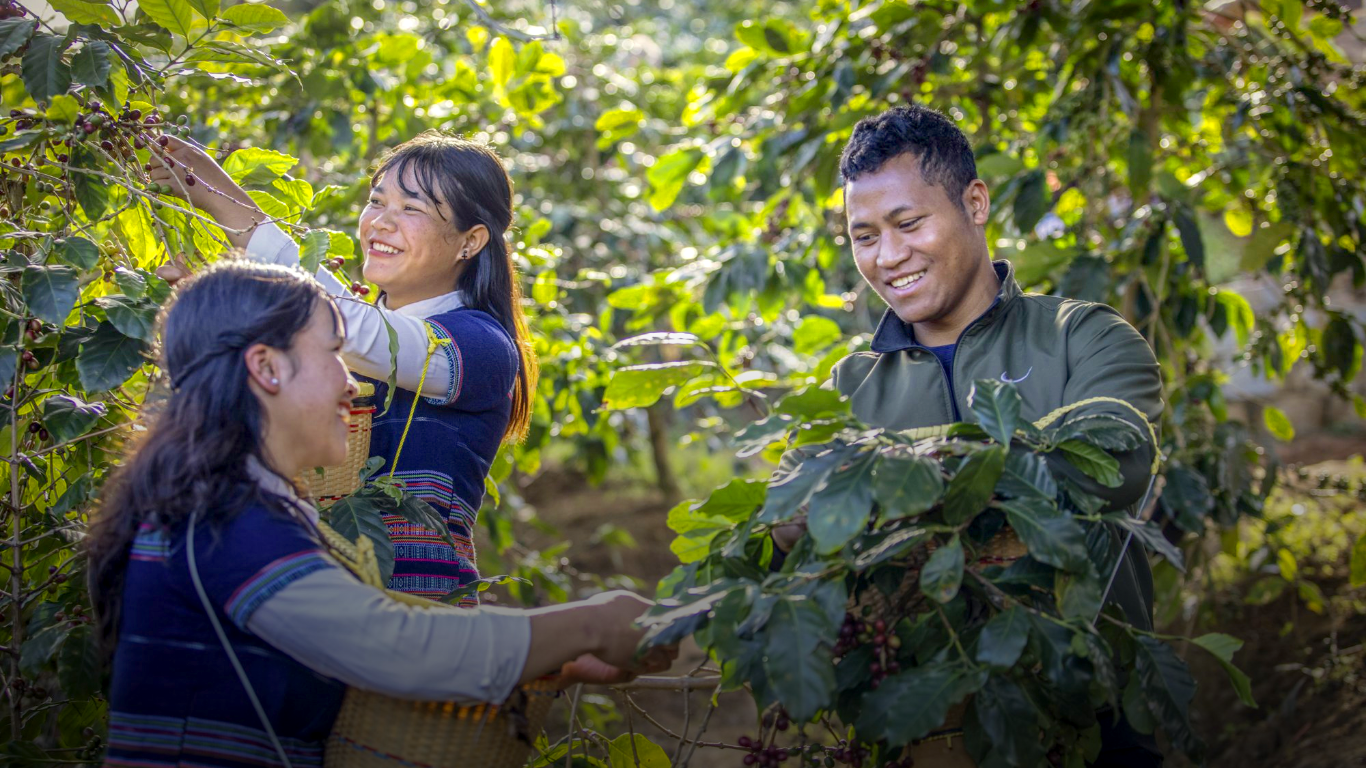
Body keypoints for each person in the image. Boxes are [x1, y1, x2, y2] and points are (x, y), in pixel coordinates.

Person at [87, 262, 674, 768]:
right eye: (333, 355)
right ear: (267, 368)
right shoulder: (223, 518)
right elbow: (389, 644)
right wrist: (591, 624)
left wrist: (555, 663)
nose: (353, 386)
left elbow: (348, 661)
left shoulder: (233, 503)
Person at [771, 105, 1164, 767]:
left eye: (908, 223)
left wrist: (892, 484)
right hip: (923, 738)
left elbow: (1113, 462)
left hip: (1096, 723)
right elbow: (789, 524)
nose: (888, 256)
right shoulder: (847, 387)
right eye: (863, 236)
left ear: (975, 203)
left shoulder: (1083, 335)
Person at [151, 132, 536, 603]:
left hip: (418, 617)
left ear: (470, 242)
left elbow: (356, 327)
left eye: (412, 209)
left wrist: (223, 204)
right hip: (312, 601)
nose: (380, 223)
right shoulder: (349, 332)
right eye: (376, 202)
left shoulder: (483, 347)